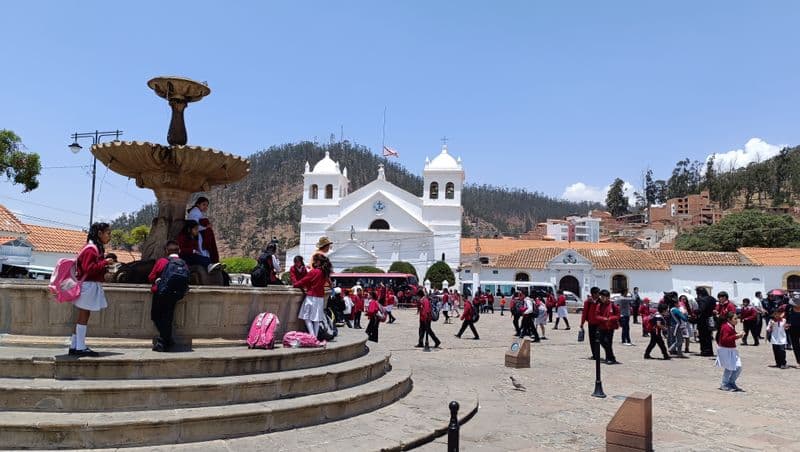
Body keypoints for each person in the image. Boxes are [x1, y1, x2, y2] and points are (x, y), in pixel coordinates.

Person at [69, 222, 114, 357]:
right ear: (100, 234)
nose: (109, 236)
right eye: (108, 233)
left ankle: (75, 345)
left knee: (83, 314)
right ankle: (80, 347)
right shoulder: (91, 249)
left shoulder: (91, 247)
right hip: (88, 285)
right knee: (84, 314)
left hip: (87, 285)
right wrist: (105, 262)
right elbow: (89, 269)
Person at [148, 240, 187, 352]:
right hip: (175, 295)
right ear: (178, 251)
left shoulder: (162, 261)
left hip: (161, 293)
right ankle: (168, 339)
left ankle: (162, 342)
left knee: (155, 316)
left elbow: (151, 277)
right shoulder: (183, 263)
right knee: (168, 318)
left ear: (166, 251)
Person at [293, 253, 332, 337]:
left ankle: (312, 336)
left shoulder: (314, 272)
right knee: (316, 319)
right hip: (320, 297)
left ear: (318, 262)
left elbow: (304, 280)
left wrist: (295, 284)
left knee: (306, 317)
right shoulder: (324, 272)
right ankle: (315, 337)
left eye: (315, 261)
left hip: (311, 296)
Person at [716, 312, 744, 392]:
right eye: (735, 319)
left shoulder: (731, 326)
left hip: (731, 349)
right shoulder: (725, 327)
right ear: (729, 319)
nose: (737, 320)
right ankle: (724, 384)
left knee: (738, 367)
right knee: (729, 367)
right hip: (725, 349)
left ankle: (731, 382)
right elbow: (725, 339)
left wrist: (738, 335)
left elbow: (732, 336)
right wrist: (736, 336)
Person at [186, 196, 219, 263]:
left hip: (199, 233)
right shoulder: (195, 212)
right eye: (203, 204)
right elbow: (193, 225)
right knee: (202, 250)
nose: (205, 207)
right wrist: (206, 227)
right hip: (197, 234)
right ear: (198, 204)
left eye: (207, 205)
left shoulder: (197, 212)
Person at [592, 289, 621, 364]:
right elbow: (596, 315)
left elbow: (617, 316)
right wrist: (604, 319)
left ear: (608, 297)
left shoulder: (613, 305)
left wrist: (610, 319)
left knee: (608, 343)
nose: (601, 298)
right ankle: (612, 357)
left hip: (610, 327)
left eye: (603, 297)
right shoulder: (599, 305)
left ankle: (609, 358)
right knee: (602, 341)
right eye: (601, 297)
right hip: (602, 327)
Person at [580, 287, 601, 360]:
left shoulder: (600, 301)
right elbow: (584, 313)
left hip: (600, 323)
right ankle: (595, 355)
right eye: (598, 293)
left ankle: (597, 353)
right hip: (591, 323)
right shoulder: (587, 302)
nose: (599, 295)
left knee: (599, 339)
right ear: (593, 294)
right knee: (592, 340)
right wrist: (582, 323)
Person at [696, 287, 717, 357]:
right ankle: (709, 351)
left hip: (703, 320)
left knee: (702, 336)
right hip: (710, 318)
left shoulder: (702, 300)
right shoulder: (712, 298)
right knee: (708, 336)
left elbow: (701, 309)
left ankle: (705, 351)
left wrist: (695, 311)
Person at [786, 296, 800, 365]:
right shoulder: (789, 308)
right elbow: (786, 316)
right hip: (792, 329)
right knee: (795, 345)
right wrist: (787, 323)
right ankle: (799, 361)